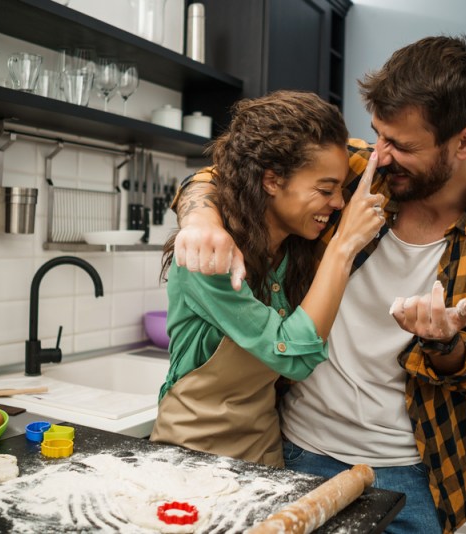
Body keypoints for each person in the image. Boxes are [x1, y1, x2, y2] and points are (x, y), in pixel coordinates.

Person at [170, 35, 466, 534]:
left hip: (413, 473)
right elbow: (223, 173)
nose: (382, 156)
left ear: (465, 142)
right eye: (378, 135)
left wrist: (446, 344)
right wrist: (200, 219)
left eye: (403, 145)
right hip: (293, 447)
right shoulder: (347, 170)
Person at [150, 90, 385, 468]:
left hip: (266, 453)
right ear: (272, 181)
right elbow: (293, 356)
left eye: (340, 189)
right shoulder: (209, 258)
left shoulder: (295, 244)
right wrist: (344, 247)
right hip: (191, 456)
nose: (340, 203)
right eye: (326, 190)